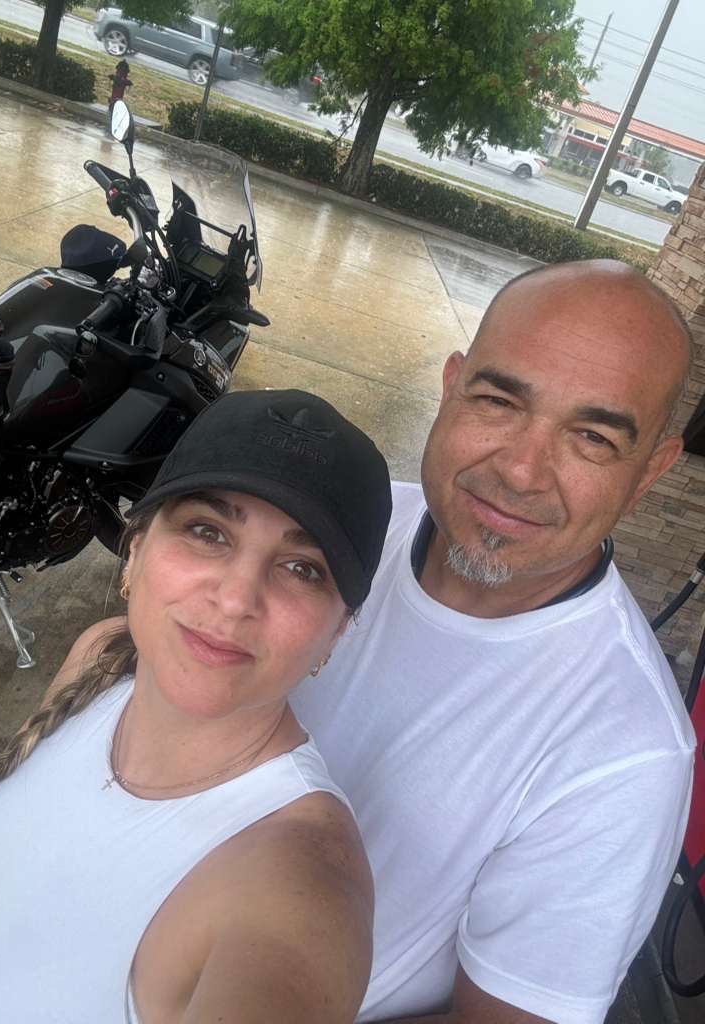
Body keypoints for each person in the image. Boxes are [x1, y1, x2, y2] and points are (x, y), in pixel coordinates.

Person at [291, 259, 697, 1024]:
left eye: (593, 437)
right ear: (451, 387)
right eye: (499, 400)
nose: (520, 469)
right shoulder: (336, 529)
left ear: (650, 472)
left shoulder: (623, 753)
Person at [0, 389, 392, 1023]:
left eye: (302, 568)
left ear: (337, 631)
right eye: (208, 532)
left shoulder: (298, 882)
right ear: (135, 549)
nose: (235, 600)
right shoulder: (101, 657)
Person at [107, 58, 132, 134]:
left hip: (114, 99)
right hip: (117, 99)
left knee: (112, 111)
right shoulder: (123, 80)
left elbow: (111, 78)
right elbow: (128, 83)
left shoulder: (116, 78)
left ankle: (111, 126)